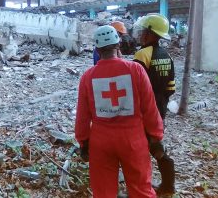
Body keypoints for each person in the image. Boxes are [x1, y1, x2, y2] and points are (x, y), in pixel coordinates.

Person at [75, 25, 164, 198]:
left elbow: (83, 116)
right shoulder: (135, 70)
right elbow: (150, 107)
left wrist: (83, 142)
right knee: (141, 190)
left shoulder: (88, 76)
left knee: (103, 192)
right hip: (133, 139)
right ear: (118, 45)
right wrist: (156, 137)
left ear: (97, 49)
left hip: (101, 142)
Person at [133, 13, 176, 195]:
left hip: (144, 109)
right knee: (156, 143)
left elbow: (134, 85)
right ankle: (168, 185)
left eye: (143, 31)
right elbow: (171, 87)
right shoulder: (166, 55)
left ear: (150, 34)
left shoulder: (142, 54)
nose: (141, 34)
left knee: (142, 147)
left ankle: (141, 187)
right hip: (161, 108)